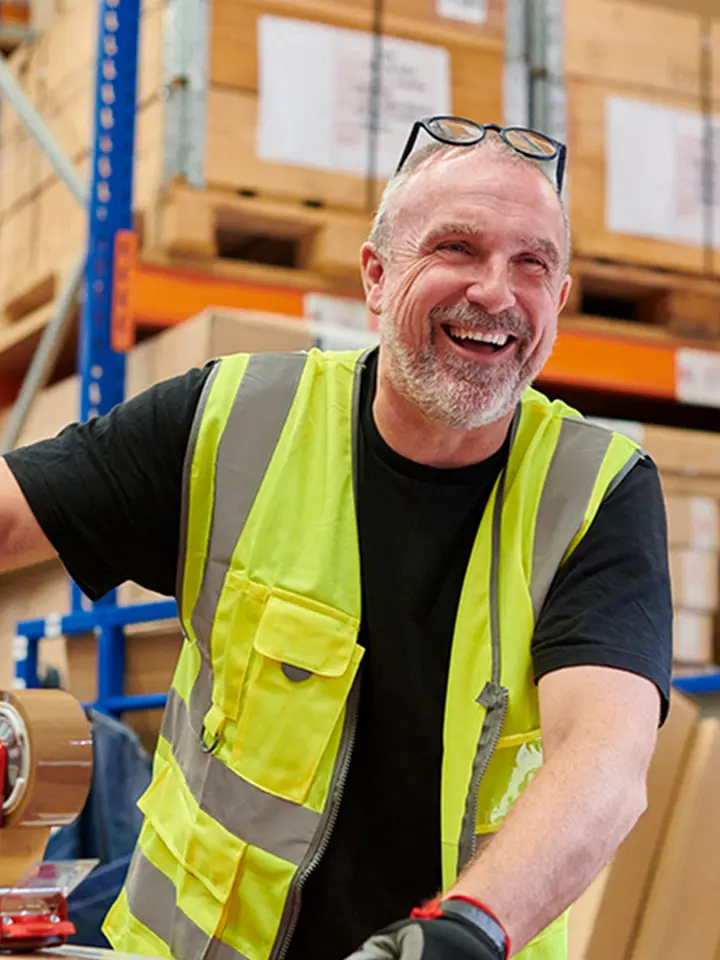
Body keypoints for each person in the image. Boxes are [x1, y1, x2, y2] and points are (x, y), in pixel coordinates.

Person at [0, 118, 672, 960]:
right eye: (457, 248)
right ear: (377, 276)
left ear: (559, 301)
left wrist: (468, 929)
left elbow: (605, 758)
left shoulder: (595, 491)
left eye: (531, 263)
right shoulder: (236, 421)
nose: (497, 292)